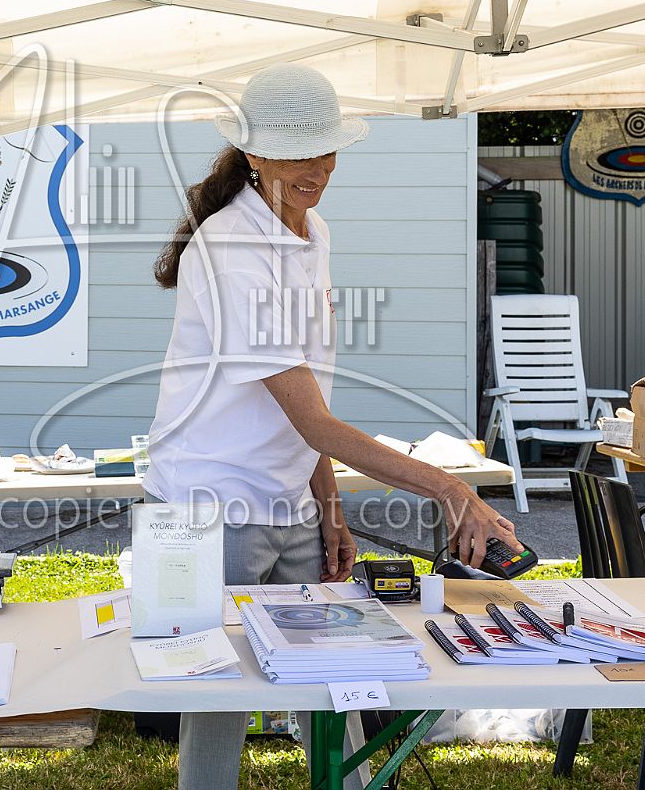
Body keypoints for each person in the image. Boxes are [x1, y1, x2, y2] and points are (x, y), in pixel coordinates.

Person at [142, 63, 522, 790]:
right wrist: (450, 490)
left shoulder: (312, 232)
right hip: (209, 505)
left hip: (286, 499)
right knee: (216, 693)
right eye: (297, 153)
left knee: (335, 674)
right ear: (254, 154)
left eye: (325, 150)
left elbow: (305, 401)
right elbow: (313, 418)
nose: (317, 169)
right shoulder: (231, 250)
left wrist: (329, 510)